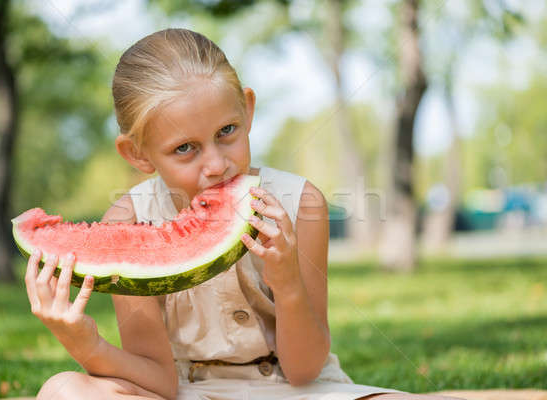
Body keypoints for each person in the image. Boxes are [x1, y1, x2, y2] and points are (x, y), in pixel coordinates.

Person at [25, 28, 461, 400]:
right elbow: (160, 381)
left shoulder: (300, 204)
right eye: (185, 148)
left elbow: (305, 369)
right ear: (136, 154)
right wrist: (85, 343)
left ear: (247, 110)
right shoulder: (127, 218)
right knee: (64, 390)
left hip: (298, 391)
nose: (216, 163)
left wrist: (287, 281)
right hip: (190, 392)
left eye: (226, 132)